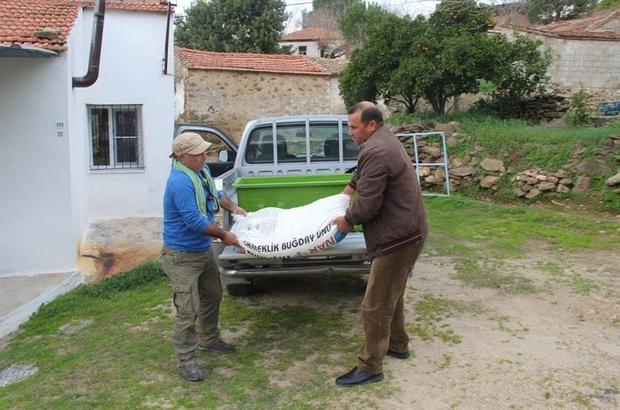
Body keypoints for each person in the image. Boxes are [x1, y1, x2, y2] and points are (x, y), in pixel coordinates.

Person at [332, 102, 428, 387]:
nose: (349, 132)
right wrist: (349, 189)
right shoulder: (382, 140)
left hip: (398, 238)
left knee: (375, 304)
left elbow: (370, 204)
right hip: (409, 232)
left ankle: (370, 365)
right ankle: (398, 345)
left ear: (371, 125)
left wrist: (347, 220)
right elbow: (365, 175)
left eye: (354, 127)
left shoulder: (376, 149)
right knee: (393, 295)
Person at [160, 132, 247, 382]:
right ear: (182, 157)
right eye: (199, 154)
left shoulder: (200, 172)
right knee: (187, 310)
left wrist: (233, 207)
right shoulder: (180, 182)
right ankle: (186, 361)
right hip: (182, 255)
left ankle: (209, 339)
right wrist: (225, 236)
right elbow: (194, 221)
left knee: (213, 295)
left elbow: (214, 196)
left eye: (204, 152)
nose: (204, 157)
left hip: (201, 250)